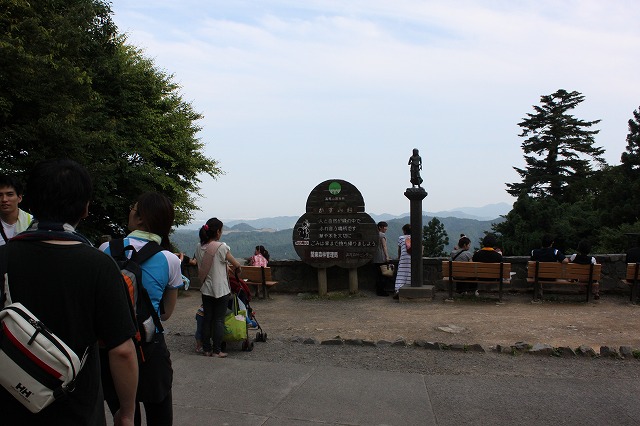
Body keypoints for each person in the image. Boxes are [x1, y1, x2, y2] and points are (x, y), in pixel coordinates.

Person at [0, 159, 138, 425]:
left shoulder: (4, 258)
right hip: (77, 408)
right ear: (85, 209)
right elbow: (122, 350)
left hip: (10, 401)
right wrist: (127, 413)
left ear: (29, 201)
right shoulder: (99, 265)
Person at [100, 192, 183, 426]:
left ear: (140, 219)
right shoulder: (170, 260)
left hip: (111, 347)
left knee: (125, 416)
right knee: (159, 414)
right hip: (149, 349)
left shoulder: (106, 249)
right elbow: (165, 314)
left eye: (133, 208)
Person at [195, 217, 243, 358]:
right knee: (218, 320)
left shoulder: (199, 247)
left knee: (207, 318)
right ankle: (217, 351)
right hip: (221, 290)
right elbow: (237, 264)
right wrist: (237, 270)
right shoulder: (221, 247)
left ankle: (206, 349)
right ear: (217, 232)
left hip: (206, 289)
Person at [0, 174, 33, 246]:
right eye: (0, 195)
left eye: (10, 194)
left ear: (19, 198)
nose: (4, 199)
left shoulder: (32, 223)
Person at [372, 221, 391, 297]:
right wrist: (387, 256)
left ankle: (378, 291)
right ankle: (382, 291)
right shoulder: (382, 235)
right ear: (380, 227)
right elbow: (384, 247)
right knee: (383, 275)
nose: (385, 229)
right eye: (384, 227)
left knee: (378, 275)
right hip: (381, 257)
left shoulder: (374, 234)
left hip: (375, 257)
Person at [393, 224, 412, 299]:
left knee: (401, 274)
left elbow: (399, 249)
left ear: (404, 231)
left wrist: (399, 257)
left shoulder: (401, 238)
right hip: (413, 258)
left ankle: (398, 290)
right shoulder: (416, 237)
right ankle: (408, 289)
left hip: (404, 258)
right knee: (410, 274)